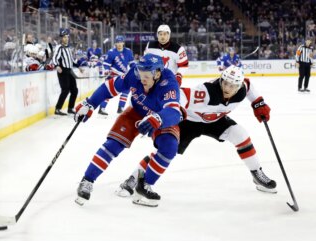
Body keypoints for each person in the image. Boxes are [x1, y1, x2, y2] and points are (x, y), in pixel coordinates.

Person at [116, 65, 277, 198]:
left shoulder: (243, 88)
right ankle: (134, 178)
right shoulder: (206, 92)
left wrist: (258, 103)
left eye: (233, 85)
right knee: (165, 153)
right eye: (225, 83)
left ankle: (257, 173)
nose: (228, 88)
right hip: (190, 121)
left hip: (215, 120)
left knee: (240, 134)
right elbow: (183, 95)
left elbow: (249, 87)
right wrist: (173, 111)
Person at [74, 54, 182, 207]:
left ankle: (143, 186)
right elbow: (110, 87)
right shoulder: (134, 74)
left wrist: (157, 118)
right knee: (113, 144)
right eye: (139, 73)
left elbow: (174, 112)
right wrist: (91, 103)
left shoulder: (169, 83)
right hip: (136, 112)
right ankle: (87, 180)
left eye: (146, 75)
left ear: (157, 74)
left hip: (160, 116)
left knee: (169, 147)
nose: (141, 78)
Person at [99, 35, 134, 115]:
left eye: (120, 42)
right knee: (107, 92)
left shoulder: (128, 51)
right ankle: (102, 108)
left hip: (122, 76)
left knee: (126, 90)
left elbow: (132, 63)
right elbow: (106, 63)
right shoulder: (111, 52)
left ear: (123, 43)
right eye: (117, 42)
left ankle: (120, 108)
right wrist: (107, 70)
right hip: (112, 76)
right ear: (115, 43)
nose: (119, 44)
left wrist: (135, 70)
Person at [52, 28, 81, 116]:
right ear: (61, 38)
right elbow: (55, 58)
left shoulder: (68, 48)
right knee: (65, 90)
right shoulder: (59, 47)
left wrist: (78, 67)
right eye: (64, 37)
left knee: (74, 90)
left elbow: (71, 60)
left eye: (67, 37)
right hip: (63, 71)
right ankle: (57, 109)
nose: (66, 38)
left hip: (69, 71)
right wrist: (57, 66)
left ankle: (70, 108)